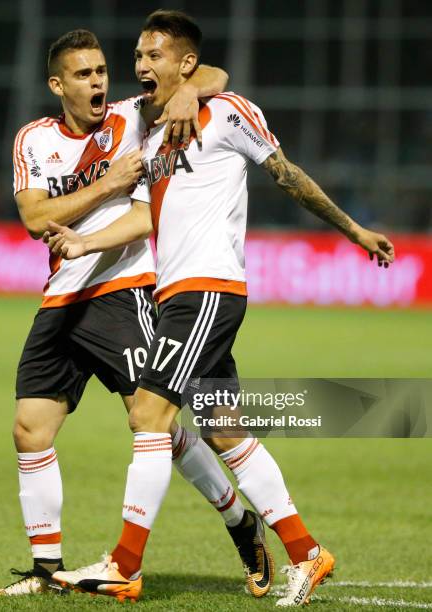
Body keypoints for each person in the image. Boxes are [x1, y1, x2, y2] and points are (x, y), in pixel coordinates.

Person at [46, 10, 395, 607]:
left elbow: (287, 175)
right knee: (225, 430)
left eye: (153, 56)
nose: (138, 66)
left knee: (150, 417)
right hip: (178, 293)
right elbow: (151, 215)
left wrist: (353, 229)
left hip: (209, 291)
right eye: (137, 55)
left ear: (183, 63)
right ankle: (308, 553)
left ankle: (124, 566)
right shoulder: (148, 128)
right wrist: (83, 240)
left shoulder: (229, 111)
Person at [0, 28, 272, 598]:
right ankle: (46, 574)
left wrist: (190, 92)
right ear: (57, 84)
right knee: (30, 429)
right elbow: (35, 217)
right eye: (84, 74)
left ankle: (242, 525)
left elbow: (212, 78)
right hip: (63, 298)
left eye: (100, 71)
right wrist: (110, 184)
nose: (98, 81)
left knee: (156, 425)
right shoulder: (34, 140)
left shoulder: (133, 117)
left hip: (125, 289)